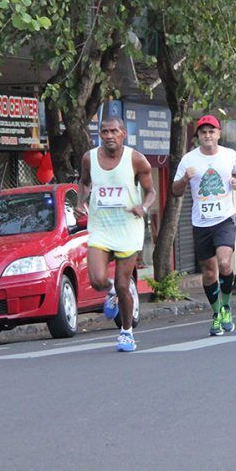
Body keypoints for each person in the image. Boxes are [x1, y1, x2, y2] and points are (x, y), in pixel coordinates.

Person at [74, 116, 156, 352]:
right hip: (101, 227)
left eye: (114, 131)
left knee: (123, 284)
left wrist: (144, 207)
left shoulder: (137, 160)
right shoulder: (89, 157)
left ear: (123, 135)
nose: (109, 135)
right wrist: (81, 202)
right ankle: (110, 291)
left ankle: (127, 332)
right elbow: (85, 182)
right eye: (104, 131)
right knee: (97, 279)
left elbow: (150, 191)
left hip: (128, 228)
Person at [172, 115, 236, 336]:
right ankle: (215, 313)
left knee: (224, 263)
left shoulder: (229, 155)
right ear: (198, 136)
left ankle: (226, 307)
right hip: (200, 222)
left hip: (224, 219)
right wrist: (185, 179)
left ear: (218, 134)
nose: (207, 135)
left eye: (211, 131)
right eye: (203, 132)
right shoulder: (188, 159)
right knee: (209, 273)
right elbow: (175, 190)